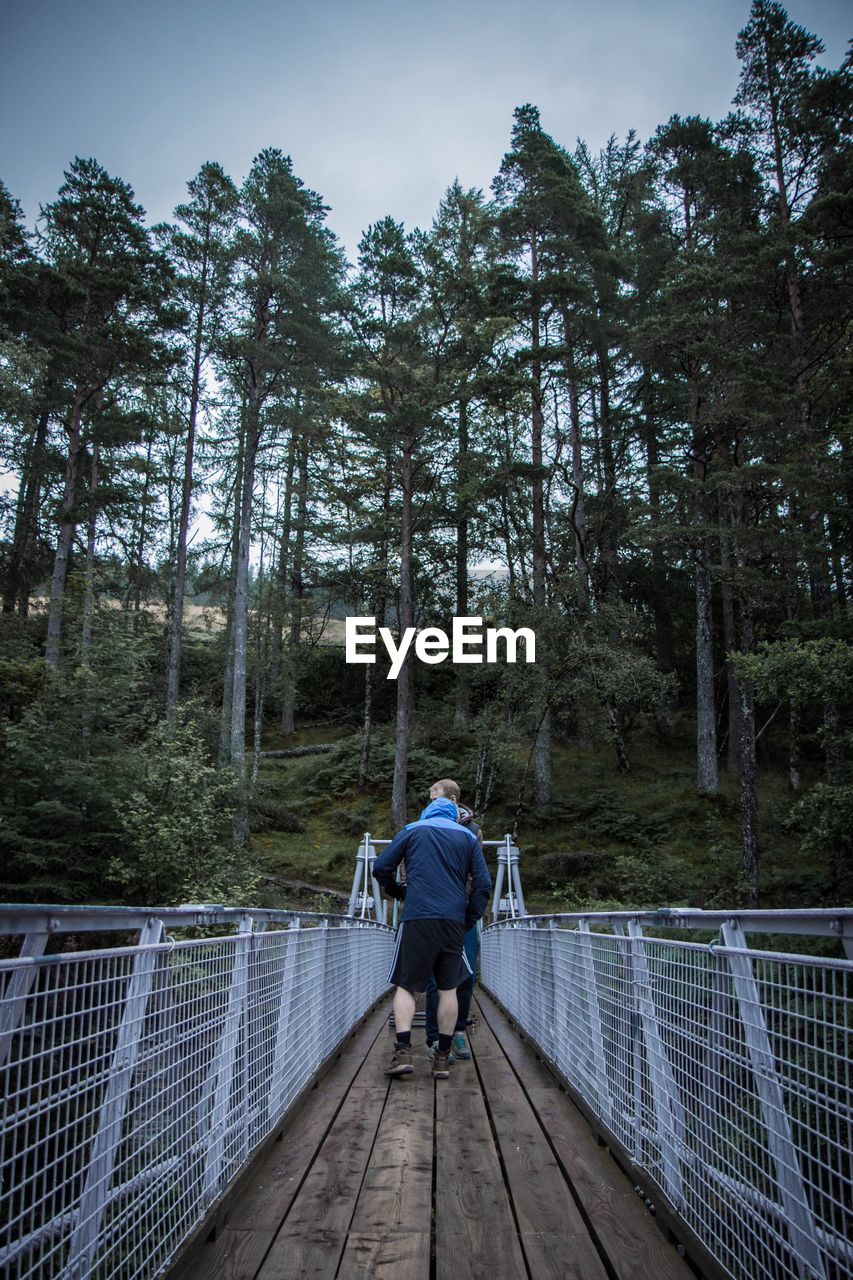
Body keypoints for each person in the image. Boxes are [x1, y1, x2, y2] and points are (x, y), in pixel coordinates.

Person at [373, 781, 491, 1080]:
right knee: (448, 988)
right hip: (453, 920)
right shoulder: (466, 836)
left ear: (428, 810)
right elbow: (483, 885)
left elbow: (381, 867)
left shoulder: (414, 830)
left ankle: (403, 1052)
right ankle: (441, 1057)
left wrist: (398, 892)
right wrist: (469, 917)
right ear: (453, 811)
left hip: (417, 918)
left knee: (407, 986)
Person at [425, 795, 483, 1062]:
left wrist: (470, 914)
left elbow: (478, 876)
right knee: (435, 979)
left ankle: (457, 1030)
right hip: (432, 913)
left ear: (452, 798)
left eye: (434, 795)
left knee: (466, 975)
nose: (430, 800)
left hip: (460, 913)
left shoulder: (471, 832)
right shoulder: (422, 827)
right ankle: (436, 1038)